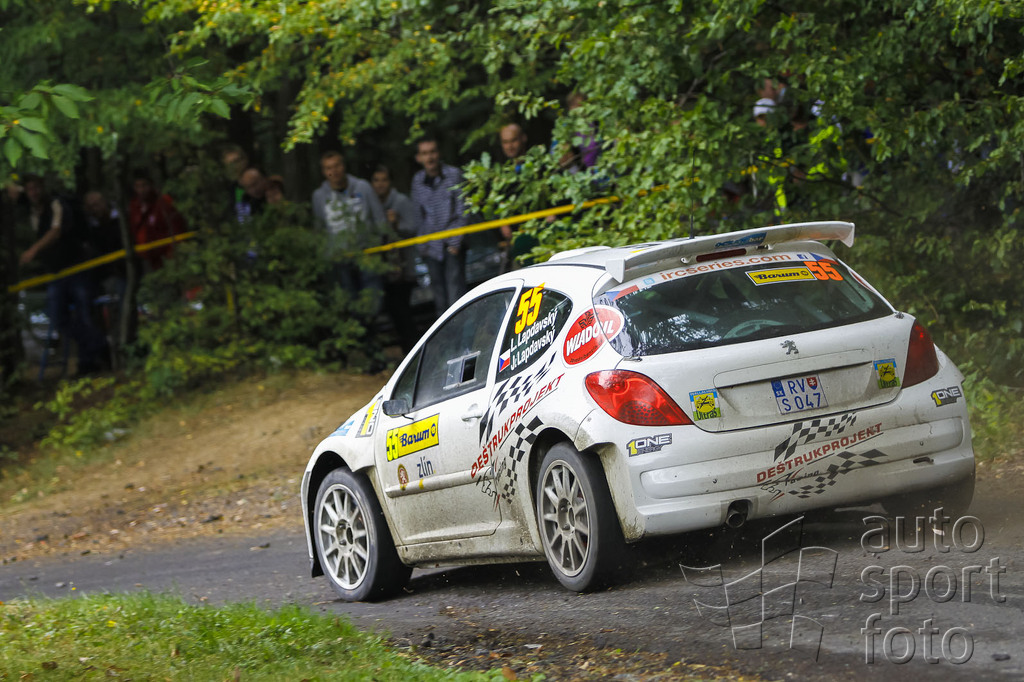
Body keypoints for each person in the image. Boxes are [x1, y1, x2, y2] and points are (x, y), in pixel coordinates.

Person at [19, 174, 109, 375]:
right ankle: (98, 344)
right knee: (56, 316)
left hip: (76, 269)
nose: (33, 192)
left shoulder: (57, 204)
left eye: (36, 187)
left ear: (43, 187)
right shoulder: (33, 211)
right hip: (56, 273)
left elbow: (56, 231)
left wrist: (33, 250)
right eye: (29, 189)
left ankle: (87, 363)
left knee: (84, 314)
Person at [311, 150, 387, 296]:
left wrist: (377, 244)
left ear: (343, 166)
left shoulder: (363, 187)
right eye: (329, 168)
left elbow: (379, 218)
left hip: (367, 253)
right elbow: (319, 228)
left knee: (373, 297)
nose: (334, 171)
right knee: (348, 299)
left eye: (337, 166)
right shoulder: (319, 196)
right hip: (339, 259)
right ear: (323, 172)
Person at [410, 136, 467, 318]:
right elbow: (418, 216)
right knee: (440, 300)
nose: (430, 157)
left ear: (439, 153)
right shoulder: (418, 180)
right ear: (419, 157)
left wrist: (455, 243)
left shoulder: (453, 174)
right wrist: (423, 247)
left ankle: (463, 333)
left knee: (456, 296)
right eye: (425, 153)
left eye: (432, 152)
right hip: (431, 247)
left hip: (452, 244)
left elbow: (463, 209)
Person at [371, 164, 421, 353]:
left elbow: (413, 228)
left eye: (384, 180)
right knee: (394, 313)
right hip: (384, 269)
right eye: (376, 180)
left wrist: (397, 223)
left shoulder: (401, 201)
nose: (380, 184)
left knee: (404, 312)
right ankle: (406, 350)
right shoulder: (373, 204)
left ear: (390, 182)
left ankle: (412, 349)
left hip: (403, 269)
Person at [128, 171, 187, 272]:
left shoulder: (163, 202)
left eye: (144, 185)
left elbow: (177, 227)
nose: (141, 190)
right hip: (147, 259)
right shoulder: (134, 206)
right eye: (138, 186)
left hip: (168, 255)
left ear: (151, 185)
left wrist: (174, 250)